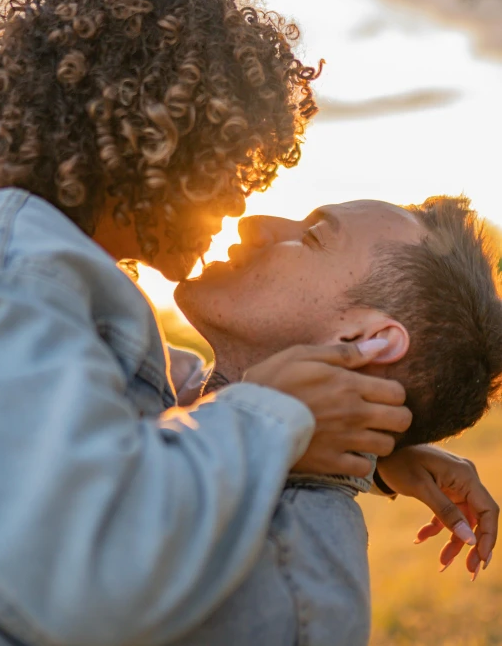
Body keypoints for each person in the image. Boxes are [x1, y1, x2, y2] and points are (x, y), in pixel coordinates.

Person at [0, 0, 415, 646]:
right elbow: (85, 563)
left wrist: (373, 449)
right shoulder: (15, 264)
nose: (239, 199)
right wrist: (275, 415)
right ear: (150, 135)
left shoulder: (32, 265)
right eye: (233, 158)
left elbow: (137, 398)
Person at [172, 195, 502, 645]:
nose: (253, 223)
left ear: (367, 342)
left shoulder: (291, 593)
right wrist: (369, 459)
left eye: (311, 237)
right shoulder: (153, 376)